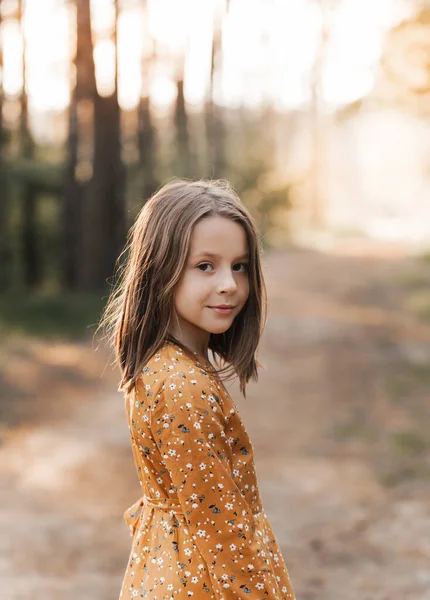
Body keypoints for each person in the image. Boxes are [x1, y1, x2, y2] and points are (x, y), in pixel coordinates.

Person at [100, 179, 296, 599]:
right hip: (200, 584)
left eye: (239, 266)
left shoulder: (170, 366)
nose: (228, 283)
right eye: (205, 266)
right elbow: (220, 530)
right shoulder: (182, 385)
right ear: (160, 270)